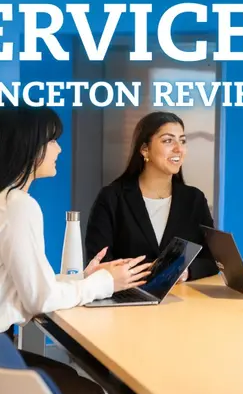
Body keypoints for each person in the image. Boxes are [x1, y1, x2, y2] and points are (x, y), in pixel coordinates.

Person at [0, 106, 151, 394]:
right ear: (26, 148)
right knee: (93, 393)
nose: (58, 148)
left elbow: (21, 282)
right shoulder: (18, 206)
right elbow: (39, 299)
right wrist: (105, 283)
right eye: (51, 141)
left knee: (76, 381)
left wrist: (83, 278)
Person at [84, 111, 220, 282]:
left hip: (183, 303)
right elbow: (98, 261)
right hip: (127, 300)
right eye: (168, 141)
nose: (179, 149)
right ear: (144, 149)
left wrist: (185, 272)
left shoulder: (194, 199)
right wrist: (147, 272)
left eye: (182, 141)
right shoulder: (112, 197)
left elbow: (213, 260)